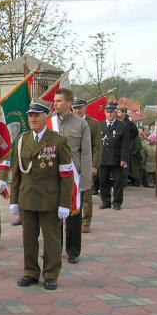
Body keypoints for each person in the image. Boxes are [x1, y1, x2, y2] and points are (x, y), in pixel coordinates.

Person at [9, 100, 73, 290]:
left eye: (37, 115)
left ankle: (51, 274)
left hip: (49, 199)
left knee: (51, 240)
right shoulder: (22, 140)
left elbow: (66, 175)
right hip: (27, 197)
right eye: (30, 115)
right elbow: (17, 173)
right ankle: (30, 272)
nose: (32, 118)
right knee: (28, 240)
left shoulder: (58, 141)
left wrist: (65, 203)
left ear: (46, 117)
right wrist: (14, 200)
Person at [49, 89, 91, 264]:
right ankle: (54, 249)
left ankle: (73, 250)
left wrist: (85, 180)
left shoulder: (81, 124)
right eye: (54, 100)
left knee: (73, 214)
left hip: (73, 176)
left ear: (68, 103)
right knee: (53, 215)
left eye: (58, 101)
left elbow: (86, 154)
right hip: (52, 175)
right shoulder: (49, 123)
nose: (55, 104)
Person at [72, 98, 101, 233]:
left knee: (86, 194)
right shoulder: (68, 122)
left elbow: (97, 146)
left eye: (80, 108)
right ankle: (72, 218)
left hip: (86, 163)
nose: (77, 110)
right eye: (75, 108)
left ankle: (86, 221)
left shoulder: (93, 124)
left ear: (85, 108)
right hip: (71, 163)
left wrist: (94, 165)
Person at [98, 103, 130, 210]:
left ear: (115, 113)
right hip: (103, 158)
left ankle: (117, 202)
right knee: (103, 181)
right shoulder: (100, 125)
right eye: (107, 112)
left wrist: (124, 159)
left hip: (116, 158)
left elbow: (125, 144)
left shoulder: (122, 126)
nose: (109, 114)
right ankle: (105, 201)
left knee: (117, 182)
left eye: (111, 112)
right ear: (104, 112)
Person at [117, 107, 141, 187]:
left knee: (125, 164)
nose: (118, 113)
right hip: (118, 145)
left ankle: (124, 182)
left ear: (124, 113)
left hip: (125, 146)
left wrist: (127, 137)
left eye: (119, 112)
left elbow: (135, 132)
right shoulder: (118, 121)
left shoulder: (129, 122)